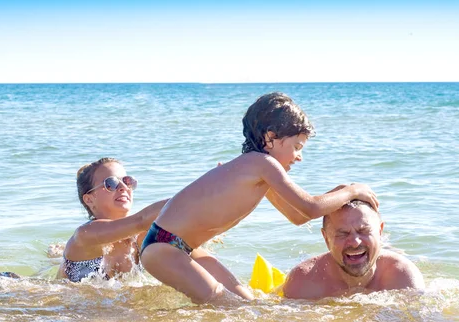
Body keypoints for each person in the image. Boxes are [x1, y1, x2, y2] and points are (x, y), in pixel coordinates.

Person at [140, 92, 379, 305]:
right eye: (297, 146)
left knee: (248, 303)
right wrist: (351, 191)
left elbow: (297, 216)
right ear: (271, 137)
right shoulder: (261, 164)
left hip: (182, 249)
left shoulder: (258, 174)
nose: (299, 157)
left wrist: (334, 196)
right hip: (165, 247)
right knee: (226, 306)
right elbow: (309, 207)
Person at [282, 199, 425, 300]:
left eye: (363, 231)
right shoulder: (304, 282)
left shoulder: (403, 277)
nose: (355, 242)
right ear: (326, 238)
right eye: (342, 233)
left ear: (380, 231)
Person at [58, 157, 167, 282]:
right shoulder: (85, 235)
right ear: (89, 199)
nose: (123, 187)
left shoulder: (141, 237)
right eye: (111, 183)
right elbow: (141, 220)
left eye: (127, 181)